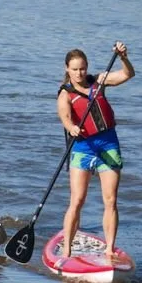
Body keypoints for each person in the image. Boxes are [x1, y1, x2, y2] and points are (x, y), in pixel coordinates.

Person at [57, 42, 135, 258]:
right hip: (83, 147)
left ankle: (109, 249)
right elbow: (65, 117)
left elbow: (128, 74)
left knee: (110, 200)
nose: (79, 73)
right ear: (67, 69)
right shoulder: (65, 94)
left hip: (108, 144)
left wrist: (123, 57)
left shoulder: (99, 81)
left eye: (82, 68)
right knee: (77, 201)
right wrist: (71, 127)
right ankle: (67, 249)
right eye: (75, 69)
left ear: (87, 67)